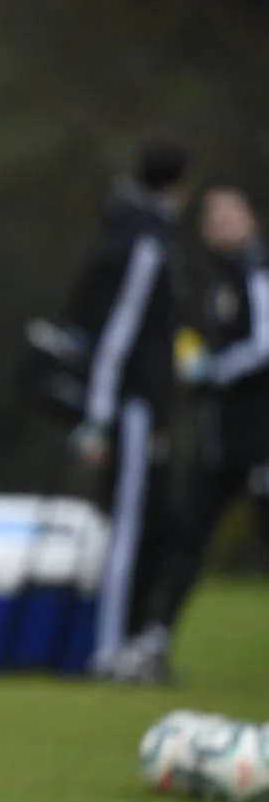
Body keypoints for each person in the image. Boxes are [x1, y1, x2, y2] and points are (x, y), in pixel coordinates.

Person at [117, 186, 269, 682]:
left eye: (230, 216)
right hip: (220, 439)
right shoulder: (216, 280)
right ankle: (153, 642)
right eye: (212, 218)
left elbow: (264, 345)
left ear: (250, 221)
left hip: (259, 437)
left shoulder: (256, 273)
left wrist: (212, 370)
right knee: (189, 537)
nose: (220, 226)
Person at [63, 138, 192, 678]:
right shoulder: (143, 240)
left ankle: (129, 638)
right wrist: (96, 417)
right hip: (131, 406)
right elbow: (117, 335)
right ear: (182, 182)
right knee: (130, 527)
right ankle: (111, 649)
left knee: (148, 524)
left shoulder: (127, 227)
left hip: (139, 403)